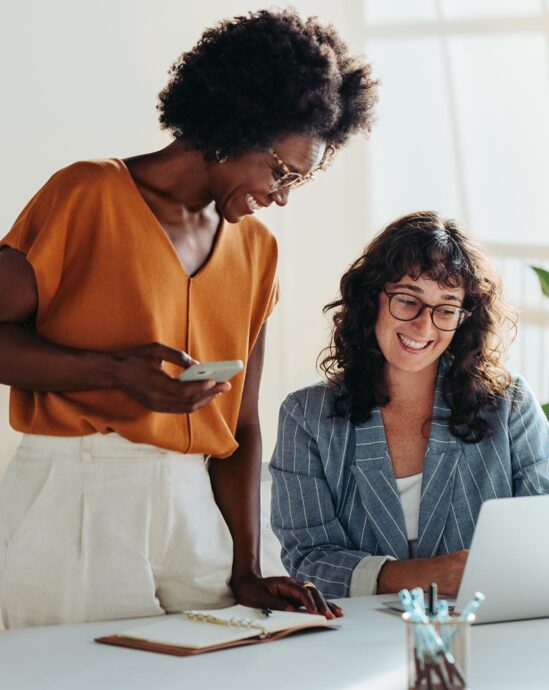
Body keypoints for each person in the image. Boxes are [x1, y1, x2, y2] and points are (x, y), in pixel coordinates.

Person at [0, 9, 378, 628]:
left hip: (194, 508)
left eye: (298, 182)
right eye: (280, 171)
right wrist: (112, 372)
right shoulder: (87, 194)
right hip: (79, 494)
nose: (281, 195)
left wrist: (248, 569)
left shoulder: (258, 251)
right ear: (235, 127)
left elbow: (241, 425)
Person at [270, 211, 549, 599]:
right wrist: (429, 574)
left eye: (446, 309)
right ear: (373, 299)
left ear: (464, 318)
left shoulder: (509, 405)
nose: (423, 326)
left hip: (484, 627)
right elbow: (308, 559)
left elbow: (541, 535)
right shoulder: (306, 416)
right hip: (355, 637)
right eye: (407, 301)